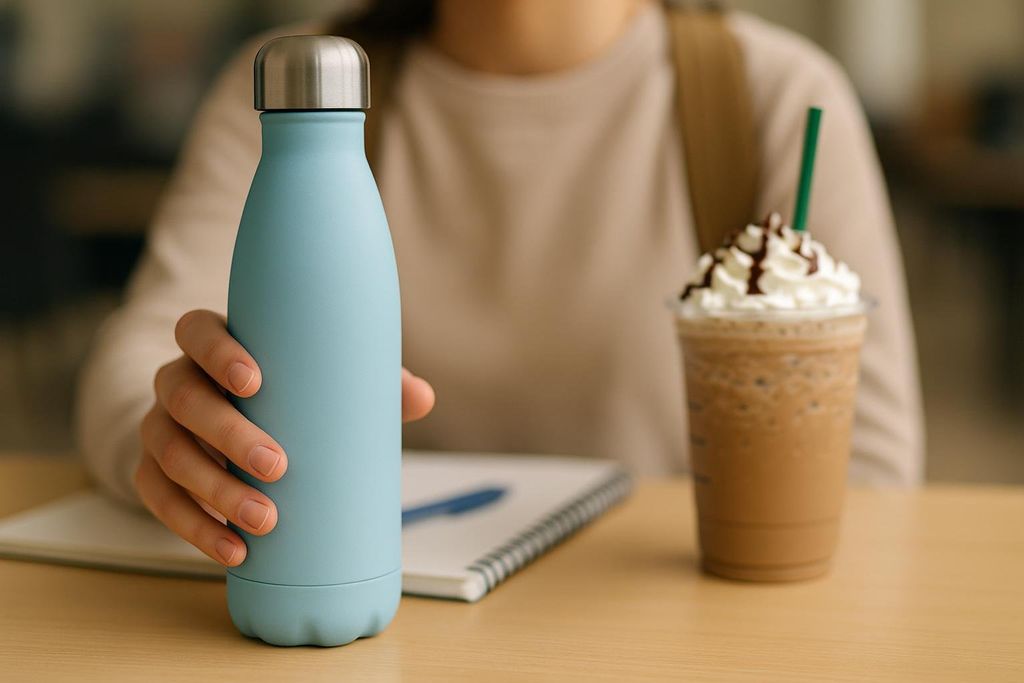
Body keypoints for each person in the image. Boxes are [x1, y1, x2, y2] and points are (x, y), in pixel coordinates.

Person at [76, 0, 924, 568]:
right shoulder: (301, 87)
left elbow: (873, 470)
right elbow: (145, 350)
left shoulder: (769, 96)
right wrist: (176, 438)